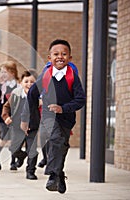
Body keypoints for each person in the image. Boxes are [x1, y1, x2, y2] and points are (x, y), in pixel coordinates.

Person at [25, 39, 85, 193]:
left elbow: (80, 100)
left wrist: (63, 108)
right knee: (55, 139)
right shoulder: (45, 76)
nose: (60, 57)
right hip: (48, 116)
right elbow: (32, 95)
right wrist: (31, 120)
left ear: (70, 58)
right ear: (49, 58)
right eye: (56, 54)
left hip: (66, 118)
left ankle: (59, 173)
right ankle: (52, 175)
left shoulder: (73, 77)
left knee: (61, 145)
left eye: (64, 54)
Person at [2, 69, 39, 179]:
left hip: (32, 126)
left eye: (32, 82)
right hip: (17, 126)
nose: (29, 84)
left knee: (32, 149)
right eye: (26, 81)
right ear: (21, 83)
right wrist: (6, 117)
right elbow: (6, 107)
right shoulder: (16, 94)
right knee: (14, 148)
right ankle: (22, 156)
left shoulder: (38, 95)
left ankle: (31, 171)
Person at [0, 61, 21, 171]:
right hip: (3, 117)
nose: (3, 74)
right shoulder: (2, 86)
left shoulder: (18, 85)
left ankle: (13, 162)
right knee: (4, 138)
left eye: (5, 72)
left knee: (15, 139)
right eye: (1, 72)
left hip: (16, 116)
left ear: (12, 72)